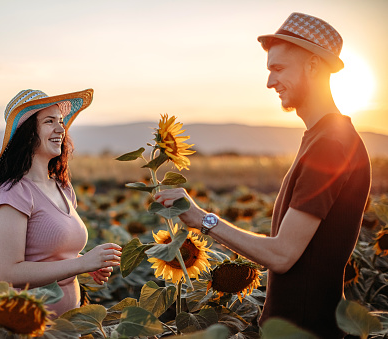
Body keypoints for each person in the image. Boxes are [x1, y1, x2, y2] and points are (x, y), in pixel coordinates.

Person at [154, 13, 371, 338]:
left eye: (278, 69)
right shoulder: (323, 137)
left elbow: (282, 256)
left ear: (313, 65)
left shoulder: (330, 145)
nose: (270, 82)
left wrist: (201, 219)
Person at [0, 89, 122, 317]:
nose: (61, 129)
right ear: (27, 134)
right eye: (49, 122)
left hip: (70, 323)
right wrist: (82, 264)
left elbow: (49, 256)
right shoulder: (11, 193)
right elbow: (8, 273)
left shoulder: (62, 186)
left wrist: (87, 264)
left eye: (61, 122)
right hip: (31, 324)